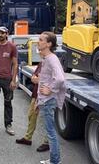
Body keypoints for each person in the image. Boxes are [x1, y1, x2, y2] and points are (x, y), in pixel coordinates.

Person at [36, 32, 66, 164]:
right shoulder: (47, 58)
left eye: (41, 40)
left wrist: (50, 89)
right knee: (50, 132)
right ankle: (54, 160)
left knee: (51, 133)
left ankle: (55, 161)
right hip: (45, 100)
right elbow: (48, 77)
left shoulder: (52, 58)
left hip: (48, 101)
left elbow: (60, 79)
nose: (38, 41)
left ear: (49, 44)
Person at [15, 62, 50, 152]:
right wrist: (35, 78)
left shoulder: (52, 63)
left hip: (45, 96)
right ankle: (28, 138)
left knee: (46, 119)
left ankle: (47, 142)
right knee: (31, 115)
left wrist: (39, 80)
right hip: (36, 94)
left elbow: (51, 81)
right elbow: (34, 77)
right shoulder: (41, 63)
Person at [0, 26, 18, 135]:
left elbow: (15, 64)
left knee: (8, 102)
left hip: (7, 79)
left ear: (7, 34)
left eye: (2, 33)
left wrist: (13, 80)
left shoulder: (12, 47)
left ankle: (8, 124)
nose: (0, 35)